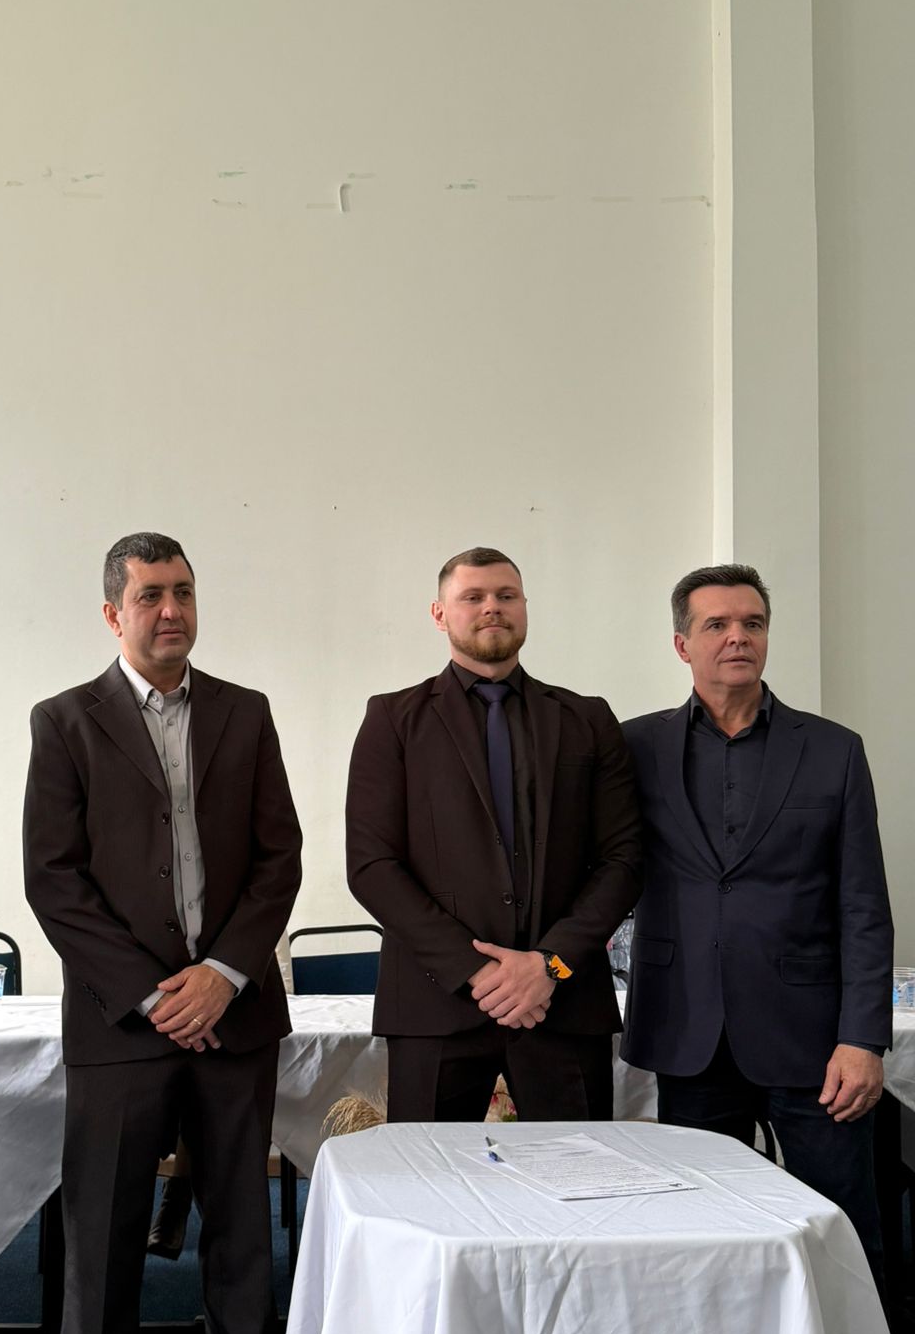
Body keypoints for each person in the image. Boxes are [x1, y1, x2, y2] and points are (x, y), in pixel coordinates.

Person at [23, 531, 301, 1334]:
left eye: (183, 591)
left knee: (241, 1231)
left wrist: (222, 975)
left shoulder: (245, 712)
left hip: (234, 1017)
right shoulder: (65, 721)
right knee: (102, 1235)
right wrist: (154, 993)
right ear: (114, 613)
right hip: (122, 1027)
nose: (171, 609)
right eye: (150, 595)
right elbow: (54, 879)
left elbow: (279, 857)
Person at [621, 563, 892, 1286]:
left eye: (753, 623)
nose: (738, 637)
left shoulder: (834, 749)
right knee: (700, 1234)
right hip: (689, 1031)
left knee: (839, 1229)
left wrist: (863, 1038)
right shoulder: (635, 747)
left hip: (815, 1042)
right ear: (682, 645)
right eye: (717, 624)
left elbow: (864, 904)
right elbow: (602, 874)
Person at [345, 546, 641, 1123]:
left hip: (562, 1004)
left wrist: (549, 965)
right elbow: (372, 866)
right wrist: (476, 971)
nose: (492, 607)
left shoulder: (587, 719)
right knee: (428, 1177)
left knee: (578, 1174)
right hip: (435, 1004)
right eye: (473, 597)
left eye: (506, 595)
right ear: (440, 614)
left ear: (525, 607)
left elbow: (623, 859)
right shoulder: (392, 720)